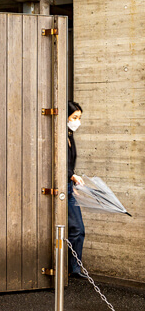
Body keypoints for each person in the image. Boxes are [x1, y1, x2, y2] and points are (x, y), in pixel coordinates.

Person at [68, 101, 87, 279]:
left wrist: (73, 181)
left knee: (77, 229)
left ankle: (74, 269)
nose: (77, 122)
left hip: (68, 186)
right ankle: (73, 269)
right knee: (76, 229)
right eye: (74, 117)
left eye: (79, 118)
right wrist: (72, 176)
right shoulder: (61, 137)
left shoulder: (70, 136)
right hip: (63, 187)